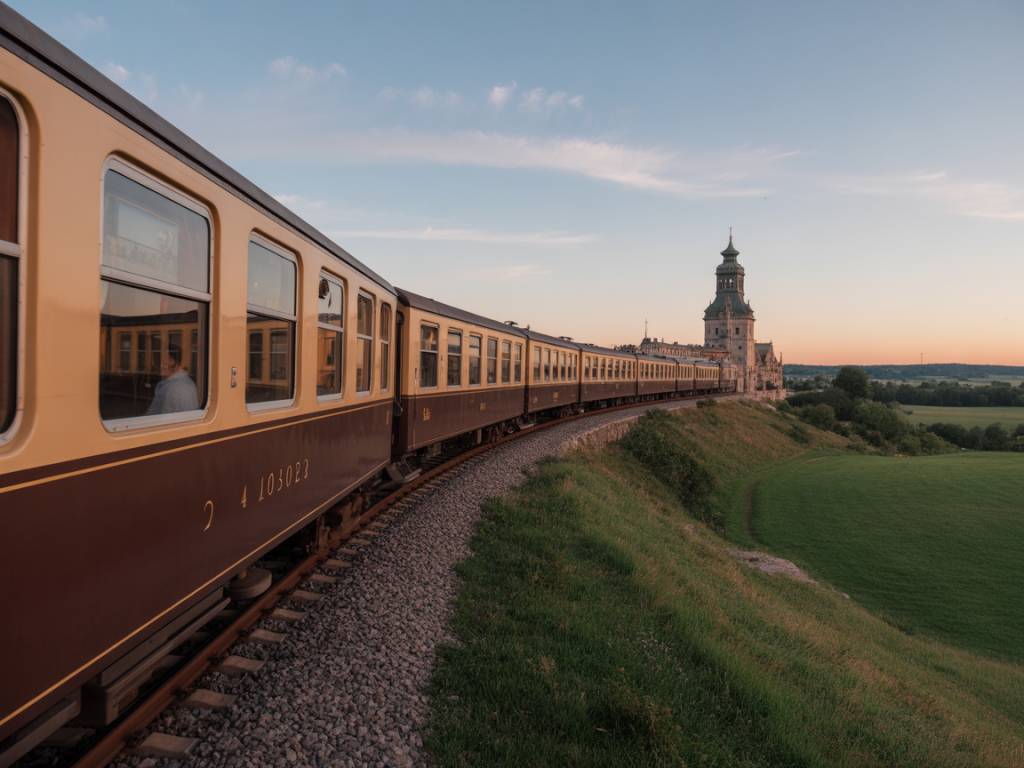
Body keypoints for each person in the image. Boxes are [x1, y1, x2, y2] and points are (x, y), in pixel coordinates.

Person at [147, 343, 199, 415]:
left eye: (164, 360)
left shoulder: (169, 388)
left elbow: (154, 417)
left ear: (174, 362)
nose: (161, 365)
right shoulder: (189, 382)